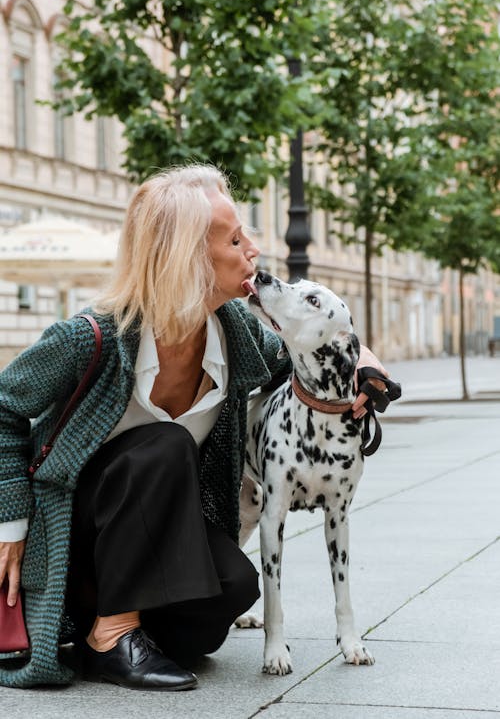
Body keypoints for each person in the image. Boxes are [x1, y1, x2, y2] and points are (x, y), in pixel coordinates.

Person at [0, 164, 387, 690]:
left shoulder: (238, 337)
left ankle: (118, 627)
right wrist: (10, 523)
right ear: (188, 255)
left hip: (144, 538)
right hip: (73, 535)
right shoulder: (92, 337)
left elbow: (309, 349)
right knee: (164, 443)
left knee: (230, 591)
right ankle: (111, 634)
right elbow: (3, 405)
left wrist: (366, 361)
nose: (253, 249)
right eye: (234, 238)